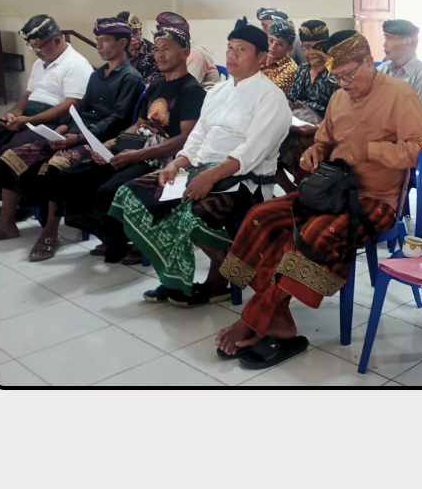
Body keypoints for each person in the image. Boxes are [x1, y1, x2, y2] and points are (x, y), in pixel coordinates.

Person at [213, 33, 422, 368]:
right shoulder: (340, 97)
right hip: (330, 190)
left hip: (376, 200)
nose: (343, 83)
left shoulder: (399, 94)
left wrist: (371, 150)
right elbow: (324, 140)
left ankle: (256, 317)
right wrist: (315, 152)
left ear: (367, 62)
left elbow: (421, 150)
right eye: (336, 76)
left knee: (317, 234)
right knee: (262, 216)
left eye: (348, 74)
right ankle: (279, 318)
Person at [107, 17, 290, 307]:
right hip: (199, 171)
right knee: (130, 194)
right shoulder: (217, 91)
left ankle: (221, 274)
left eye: (241, 50)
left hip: (243, 183)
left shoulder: (271, 97)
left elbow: (249, 153)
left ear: (261, 56)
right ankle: (174, 278)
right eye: (230, 48)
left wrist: (210, 177)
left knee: (187, 213)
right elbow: (197, 138)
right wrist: (176, 165)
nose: (232, 55)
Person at [0, 18, 144, 260]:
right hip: (77, 133)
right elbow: (82, 109)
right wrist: (63, 129)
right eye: (97, 40)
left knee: (55, 166)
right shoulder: (98, 75)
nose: (99, 46)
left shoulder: (130, 78)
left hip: (101, 140)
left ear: (122, 43)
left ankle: (51, 232)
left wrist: (77, 137)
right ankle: (10, 218)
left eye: (105, 40)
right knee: (14, 155)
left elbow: (117, 119)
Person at [57, 24, 206, 264]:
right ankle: (111, 236)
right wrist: (110, 143)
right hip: (139, 147)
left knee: (108, 189)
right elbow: (138, 124)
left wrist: (137, 155)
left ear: (185, 51)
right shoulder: (156, 85)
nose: (159, 54)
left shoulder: (192, 90)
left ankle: (124, 240)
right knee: (73, 176)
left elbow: (184, 139)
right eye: (156, 49)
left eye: (166, 49)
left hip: (164, 158)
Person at [0, 15, 93, 195]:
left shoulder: (77, 64)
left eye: (38, 46)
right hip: (28, 118)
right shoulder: (40, 64)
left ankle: (20, 203)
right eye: (32, 46)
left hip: (52, 123)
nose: (35, 51)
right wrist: (14, 113)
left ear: (56, 40)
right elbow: (28, 95)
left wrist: (29, 120)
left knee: (8, 151)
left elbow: (72, 104)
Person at [276, 24, 345, 193]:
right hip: (300, 122)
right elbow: (290, 99)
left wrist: (316, 129)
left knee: (297, 144)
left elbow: (340, 111)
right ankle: (291, 191)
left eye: (317, 47)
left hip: (327, 127)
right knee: (269, 142)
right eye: (306, 47)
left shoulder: (335, 73)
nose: (311, 52)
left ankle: (307, 189)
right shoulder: (303, 69)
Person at [378, 19, 422, 123]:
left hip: (407, 135)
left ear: (407, 42)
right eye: (385, 38)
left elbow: (419, 121)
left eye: (389, 38)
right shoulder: (383, 69)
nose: (384, 44)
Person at [118, 11, 163, 86]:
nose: (133, 39)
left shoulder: (153, 52)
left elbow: (156, 82)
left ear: (140, 32)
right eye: (128, 35)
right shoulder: (118, 54)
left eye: (135, 33)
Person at [260, 17, 298, 94]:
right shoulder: (260, 56)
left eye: (279, 44)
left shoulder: (290, 69)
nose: (273, 46)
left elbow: (268, 93)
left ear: (289, 48)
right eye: (271, 40)